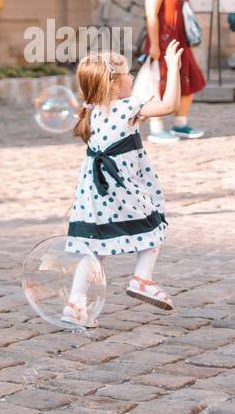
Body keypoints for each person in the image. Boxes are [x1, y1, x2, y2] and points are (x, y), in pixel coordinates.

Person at [62, 43, 182, 326]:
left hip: (93, 193)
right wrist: (173, 68)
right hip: (120, 187)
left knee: (94, 248)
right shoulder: (128, 106)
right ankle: (142, 279)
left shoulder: (88, 112)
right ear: (114, 85)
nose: (131, 78)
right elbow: (169, 106)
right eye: (127, 74)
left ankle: (75, 303)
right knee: (154, 225)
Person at [135, 0, 206, 141]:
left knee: (190, 80)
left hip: (180, 40)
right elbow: (151, 15)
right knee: (159, 84)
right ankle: (156, 129)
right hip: (164, 42)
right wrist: (155, 45)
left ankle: (180, 124)